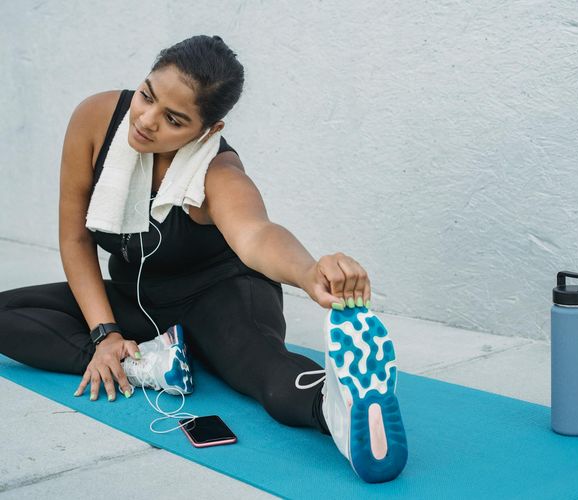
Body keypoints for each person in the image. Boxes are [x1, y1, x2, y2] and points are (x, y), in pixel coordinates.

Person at [0, 35, 407, 483]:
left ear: (208, 130)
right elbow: (75, 238)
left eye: (174, 119)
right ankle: (145, 363)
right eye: (146, 96)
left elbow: (257, 235)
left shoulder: (219, 172)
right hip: (140, 301)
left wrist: (309, 271)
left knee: (260, 369)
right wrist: (106, 334)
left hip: (222, 296)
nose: (146, 121)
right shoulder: (95, 119)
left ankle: (337, 408)